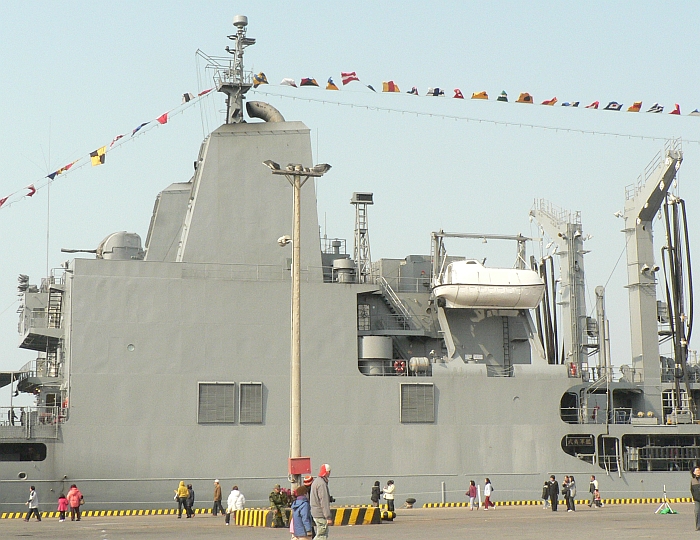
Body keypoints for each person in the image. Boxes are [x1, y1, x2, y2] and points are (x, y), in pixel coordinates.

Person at [310, 463, 333, 540]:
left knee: (320, 534)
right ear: (327, 472)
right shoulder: (322, 484)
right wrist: (328, 517)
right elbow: (324, 502)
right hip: (320, 514)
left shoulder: (316, 481)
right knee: (322, 535)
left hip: (315, 512)